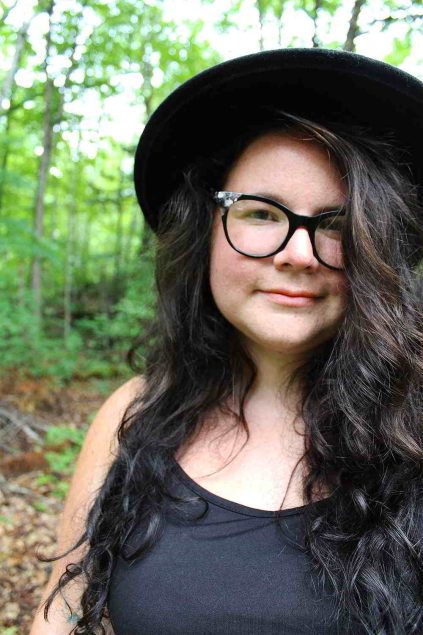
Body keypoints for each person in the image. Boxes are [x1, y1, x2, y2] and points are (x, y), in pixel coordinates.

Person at [30, 48, 423, 635]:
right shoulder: (132, 416)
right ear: (205, 232)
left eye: (338, 225)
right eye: (262, 213)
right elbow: (62, 609)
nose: (296, 254)